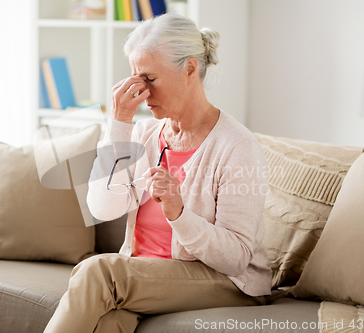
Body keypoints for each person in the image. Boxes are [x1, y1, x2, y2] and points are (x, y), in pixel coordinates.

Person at [43, 13, 271, 333]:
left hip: (227, 282)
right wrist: (120, 123)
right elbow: (103, 207)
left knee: (98, 272)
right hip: (147, 273)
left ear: (190, 68)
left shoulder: (237, 146)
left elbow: (236, 259)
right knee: (106, 324)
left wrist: (179, 213)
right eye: (136, 80)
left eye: (150, 79)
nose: (143, 94)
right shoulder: (145, 134)